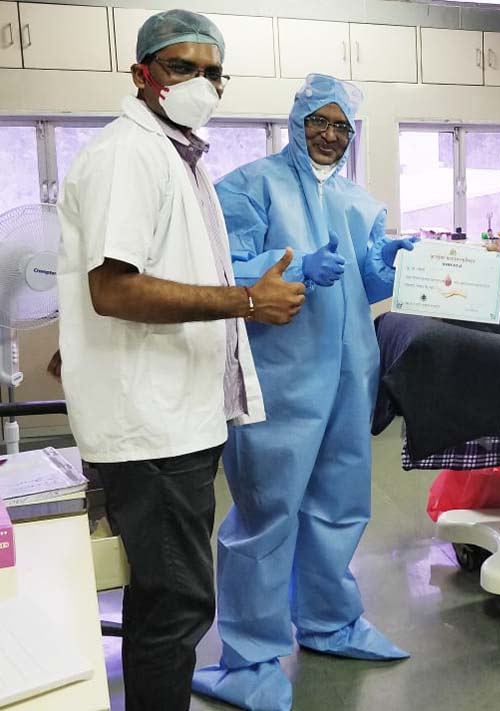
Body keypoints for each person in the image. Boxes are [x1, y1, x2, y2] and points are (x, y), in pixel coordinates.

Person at [56, 9, 305, 711]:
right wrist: (246, 302)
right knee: (176, 608)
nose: (202, 82)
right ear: (142, 74)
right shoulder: (127, 155)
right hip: (153, 427)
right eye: (181, 67)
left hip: (176, 418)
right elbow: (112, 286)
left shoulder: (176, 155)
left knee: (165, 598)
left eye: (213, 71)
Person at [192, 74, 414, 711]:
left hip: (349, 374)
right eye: (320, 120)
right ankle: (249, 657)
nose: (330, 135)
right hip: (277, 379)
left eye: (342, 126)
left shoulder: (359, 202)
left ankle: (330, 623)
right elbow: (219, 274)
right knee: (267, 512)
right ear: (296, 121)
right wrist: (278, 266)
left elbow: (364, 289)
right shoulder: (248, 186)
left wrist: (389, 262)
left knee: (340, 505)